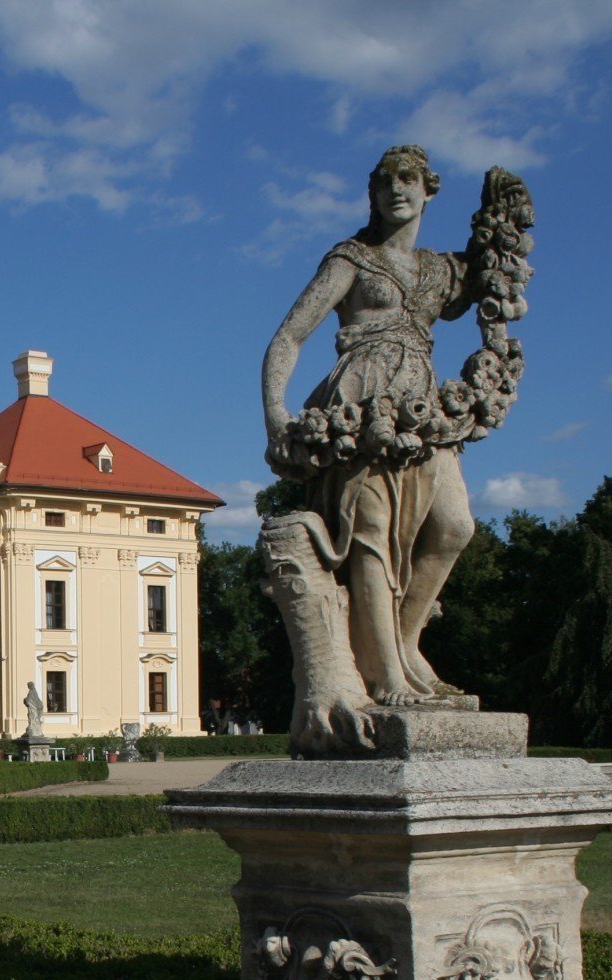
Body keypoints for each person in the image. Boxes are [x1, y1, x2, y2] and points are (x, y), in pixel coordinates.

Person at [261, 145, 478, 705]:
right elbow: (290, 334)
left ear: (429, 189)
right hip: (362, 403)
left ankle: (406, 647)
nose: (396, 190)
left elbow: (491, 278)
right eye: (385, 182)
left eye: (408, 180)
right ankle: (383, 672)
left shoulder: (439, 270)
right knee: (370, 532)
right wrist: (276, 413)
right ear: (374, 195)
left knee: (455, 527)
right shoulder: (352, 258)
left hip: (423, 411)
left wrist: (502, 224)